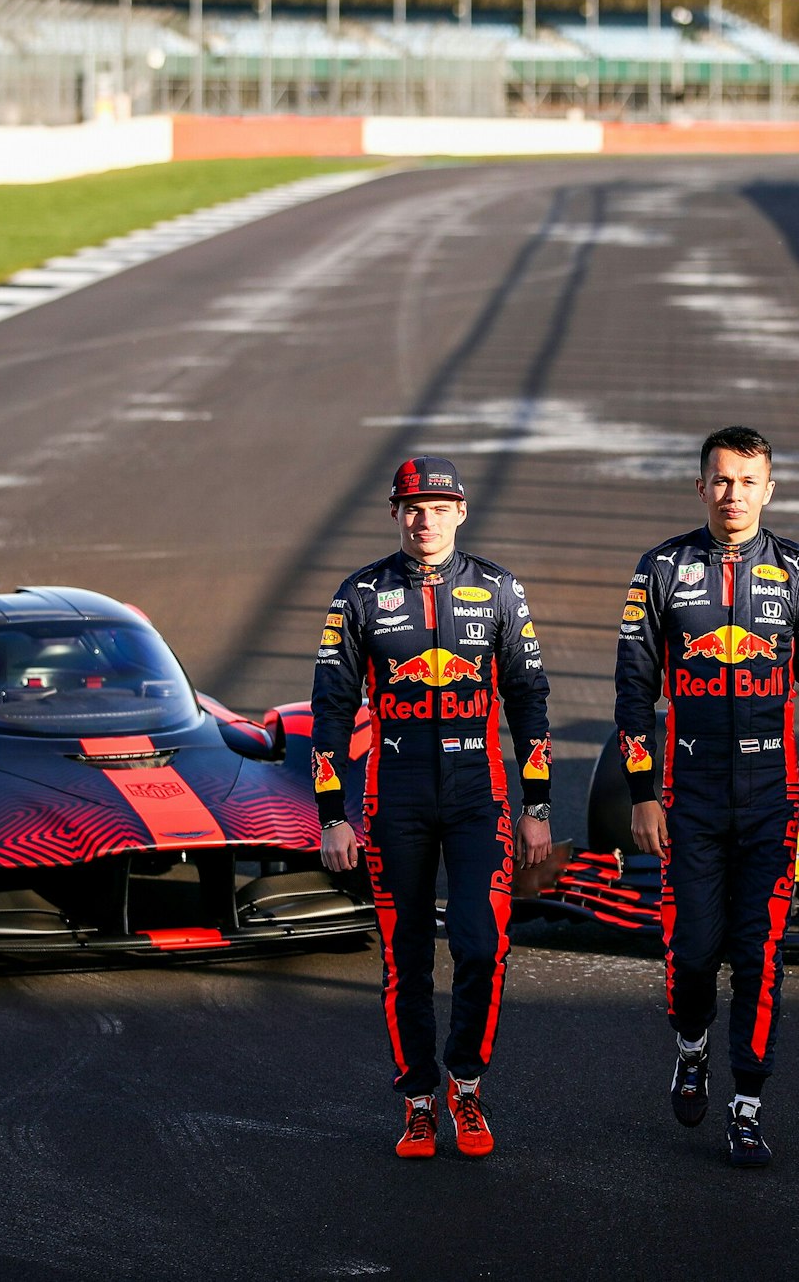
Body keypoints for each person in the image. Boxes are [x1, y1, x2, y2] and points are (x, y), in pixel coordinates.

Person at [616, 426, 799, 1168]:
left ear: (769, 489)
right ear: (700, 487)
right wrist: (642, 793)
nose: (733, 495)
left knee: (761, 956)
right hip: (689, 799)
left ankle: (746, 1106)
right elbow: (632, 690)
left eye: (748, 482)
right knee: (691, 952)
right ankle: (691, 1047)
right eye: (720, 481)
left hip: (774, 799)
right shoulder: (660, 568)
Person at [312, 456, 553, 1160]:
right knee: (404, 957)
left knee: (483, 944)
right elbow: (330, 710)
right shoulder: (358, 594)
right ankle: (419, 1101)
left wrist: (537, 803)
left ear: (461, 511)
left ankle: (467, 1086)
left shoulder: (500, 590)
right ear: (395, 513)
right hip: (396, 793)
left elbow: (529, 699)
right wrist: (333, 813)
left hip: (481, 793)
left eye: (439, 506)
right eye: (412, 507)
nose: (425, 519)